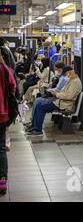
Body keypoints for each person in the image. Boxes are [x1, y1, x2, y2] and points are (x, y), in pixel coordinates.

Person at [26, 66, 82, 136]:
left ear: (69, 73)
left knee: (40, 105)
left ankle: (37, 129)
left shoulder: (75, 82)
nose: (66, 77)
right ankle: (34, 125)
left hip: (64, 104)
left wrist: (57, 94)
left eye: (66, 75)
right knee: (37, 100)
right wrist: (54, 92)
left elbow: (69, 96)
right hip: (61, 101)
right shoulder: (72, 80)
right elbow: (64, 92)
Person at [0, 54, 17, 196]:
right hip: (2, 114)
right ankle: (2, 181)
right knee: (1, 149)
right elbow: (13, 87)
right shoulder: (4, 69)